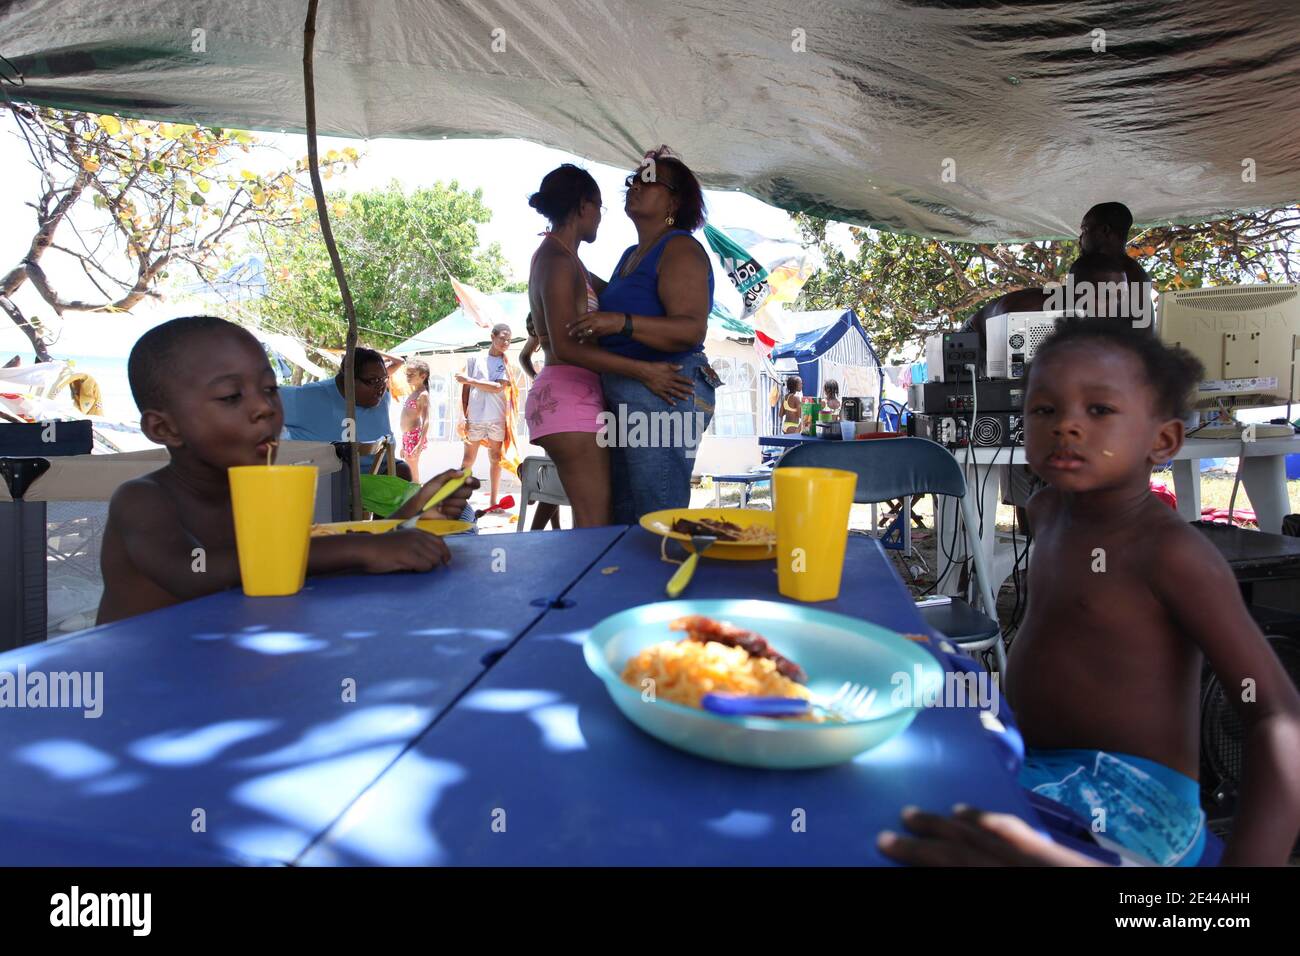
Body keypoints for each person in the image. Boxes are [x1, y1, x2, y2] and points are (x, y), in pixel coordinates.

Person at [882, 321, 1300, 866]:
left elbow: (1274, 712)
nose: (1067, 427)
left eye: (1099, 410)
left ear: (1163, 441)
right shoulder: (1047, 511)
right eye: (1045, 410)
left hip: (1130, 800)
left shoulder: (1169, 552)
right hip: (1041, 764)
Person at [96, 316, 478, 625]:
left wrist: (410, 519)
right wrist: (362, 547)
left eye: (268, 389)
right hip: (142, 695)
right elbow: (195, 573)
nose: (265, 408)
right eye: (231, 396)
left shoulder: (257, 496)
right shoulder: (144, 500)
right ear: (164, 428)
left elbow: (294, 565)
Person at [525, 164, 696, 527]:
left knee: (609, 520)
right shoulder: (557, 259)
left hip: (578, 397)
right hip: (571, 396)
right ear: (584, 207)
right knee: (597, 526)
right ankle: (593, 585)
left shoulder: (571, 260)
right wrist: (643, 369)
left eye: (646, 182)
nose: (602, 217)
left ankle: (608, 583)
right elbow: (566, 346)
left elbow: (617, 302)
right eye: (600, 208)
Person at [566, 147, 718, 523]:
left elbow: (691, 328)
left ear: (675, 200)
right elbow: (602, 298)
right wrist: (563, 274)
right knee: (626, 513)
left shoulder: (680, 247)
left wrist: (620, 322)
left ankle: (666, 581)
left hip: (667, 386)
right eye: (634, 178)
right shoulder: (631, 254)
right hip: (631, 388)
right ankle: (637, 582)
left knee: (656, 514)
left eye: (649, 179)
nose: (636, 184)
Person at [280, 346, 408, 479]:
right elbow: (260, 400)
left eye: (383, 379)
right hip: (325, 482)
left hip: (375, 480)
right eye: (373, 381)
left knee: (403, 470)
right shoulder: (308, 398)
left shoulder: (383, 400)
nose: (381, 387)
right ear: (348, 378)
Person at [457, 323, 515, 509]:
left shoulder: (505, 363)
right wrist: (464, 415)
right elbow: (465, 389)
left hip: (496, 417)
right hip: (475, 417)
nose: (505, 342)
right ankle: (459, 500)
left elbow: (498, 387)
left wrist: (471, 380)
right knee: (467, 460)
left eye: (508, 340)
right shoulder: (474, 359)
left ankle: (493, 501)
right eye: (502, 338)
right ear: (492, 337)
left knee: (495, 458)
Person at [399, 358, 430, 483]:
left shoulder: (423, 395)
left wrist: (420, 443)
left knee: (413, 473)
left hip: (414, 436)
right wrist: (403, 445)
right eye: (407, 374)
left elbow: (426, 420)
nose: (408, 377)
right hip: (407, 436)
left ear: (423, 376)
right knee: (410, 470)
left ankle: (417, 499)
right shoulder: (414, 393)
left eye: (412, 374)